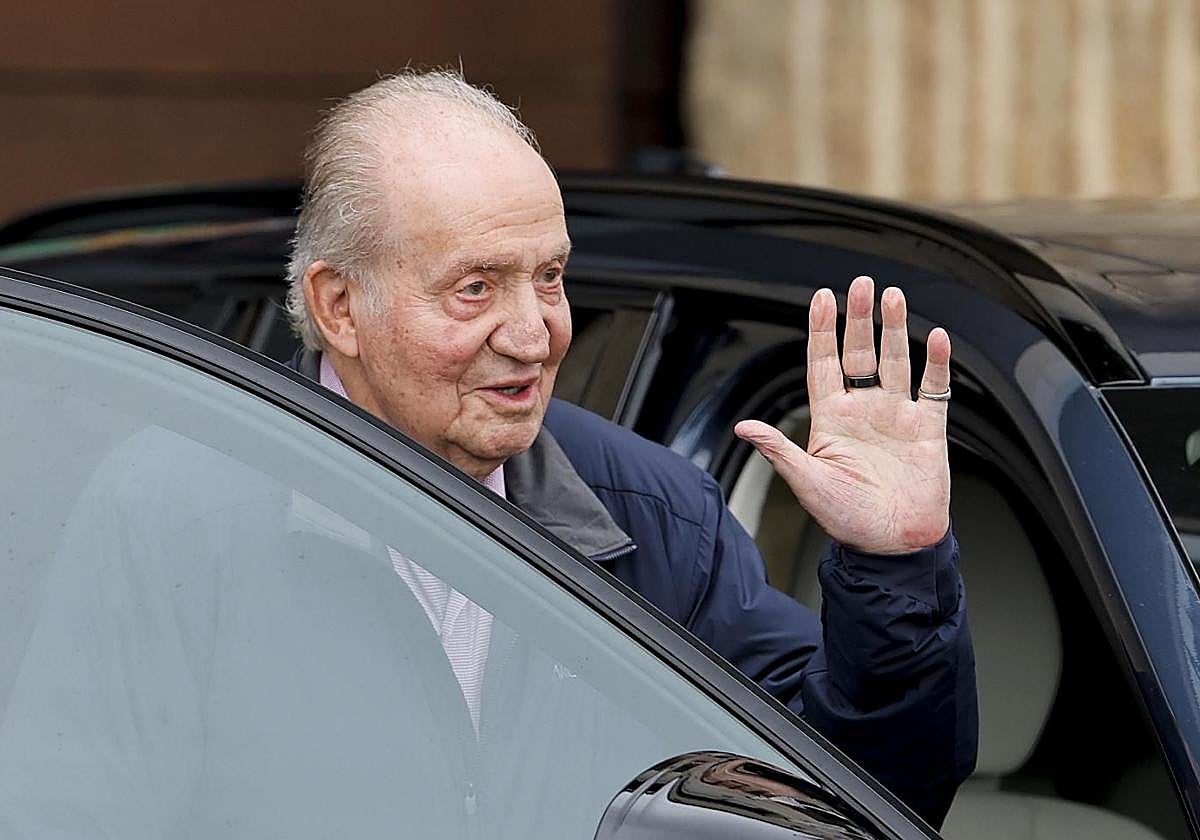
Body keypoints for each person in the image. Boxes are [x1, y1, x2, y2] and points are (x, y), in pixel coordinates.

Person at [282, 70, 977, 825]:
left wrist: (894, 567)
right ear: (340, 307)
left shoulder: (656, 518)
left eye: (549, 277)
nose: (534, 336)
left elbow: (854, 805)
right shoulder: (198, 510)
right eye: (475, 288)